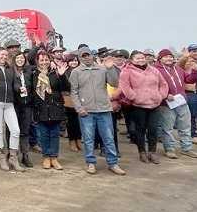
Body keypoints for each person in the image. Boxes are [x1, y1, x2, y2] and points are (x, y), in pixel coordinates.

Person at [69, 46, 126, 176]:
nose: (86, 57)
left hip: (104, 109)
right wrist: (79, 108)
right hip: (86, 112)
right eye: (83, 56)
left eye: (88, 55)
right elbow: (74, 92)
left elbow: (114, 83)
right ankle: (90, 163)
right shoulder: (76, 72)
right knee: (89, 139)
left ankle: (113, 163)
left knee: (109, 138)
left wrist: (111, 68)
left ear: (92, 55)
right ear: (79, 58)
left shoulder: (102, 69)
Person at [115, 50, 168, 164]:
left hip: (154, 104)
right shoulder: (126, 71)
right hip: (138, 105)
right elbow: (125, 86)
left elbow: (163, 84)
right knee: (140, 129)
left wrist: (161, 95)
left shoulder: (154, 70)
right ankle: (142, 152)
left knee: (153, 129)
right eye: (137, 58)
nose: (141, 60)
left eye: (142, 58)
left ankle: (152, 152)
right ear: (132, 60)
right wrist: (134, 97)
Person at [153, 49, 197, 159]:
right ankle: (169, 149)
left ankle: (187, 148)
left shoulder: (178, 69)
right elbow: (153, 85)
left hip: (181, 102)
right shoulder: (155, 70)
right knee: (168, 128)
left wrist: (195, 72)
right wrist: (165, 95)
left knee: (185, 126)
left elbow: (189, 80)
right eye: (166, 57)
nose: (169, 59)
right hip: (166, 104)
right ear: (160, 59)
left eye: (170, 57)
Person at [28, 49, 70, 170]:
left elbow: (66, 88)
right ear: (37, 61)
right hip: (40, 108)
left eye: (46, 59)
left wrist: (62, 76)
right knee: (44, 135)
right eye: (41, 60)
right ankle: (46, 156)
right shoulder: (34, 73)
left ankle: (54, 158)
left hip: (55, 107)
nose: (44, 62)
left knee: (55, 134)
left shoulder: (55, 73)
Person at [11, 52, 33, 167]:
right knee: (13, 130)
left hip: (27, 104)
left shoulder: (29, 71)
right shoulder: (11, 71)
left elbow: (33, 85)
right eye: (17, 58)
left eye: (22, 58)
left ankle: (25, 155)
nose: (20, 59)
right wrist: (18, 89)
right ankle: (12, 153)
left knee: (25, 130)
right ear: (14, 59)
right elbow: (11, 85)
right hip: (14, 104)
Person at [63, 54, 82, 152]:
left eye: (75, 60)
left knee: (79, 121)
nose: (74, 62)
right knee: (71, 121)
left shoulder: (81, 71)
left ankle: (78, 139)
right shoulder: (65, 72)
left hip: (80, 98)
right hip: (69, 98)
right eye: (71, 60)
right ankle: (72, 140)